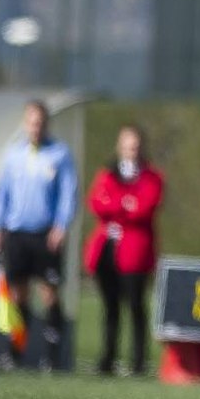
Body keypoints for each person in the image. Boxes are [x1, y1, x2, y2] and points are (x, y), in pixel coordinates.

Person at [0, 100, 78, 370]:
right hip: (17, 233)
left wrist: (61, 225)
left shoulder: (59, 154)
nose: (35, 128)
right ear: (25, 124)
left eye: (40, 123)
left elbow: (68, 193)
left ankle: (52, 356)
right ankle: (15, 353)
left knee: (49, 293)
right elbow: (3, 194)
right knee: (19, 295)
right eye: (31, 122)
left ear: (46, 124)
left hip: (46, 234)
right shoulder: (14, 155)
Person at [81, 125, 163, 376]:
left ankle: (138, 361)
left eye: (135, 146)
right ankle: (108, 358)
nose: (131, 150)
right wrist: (123, 204)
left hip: (135, 252)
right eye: (127, 145)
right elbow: (97, 202)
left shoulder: (150, 177)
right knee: (110, 305)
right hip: (108, 249)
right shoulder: (108, 174)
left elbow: (144, 207)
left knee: (136, 305)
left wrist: (118, 206)